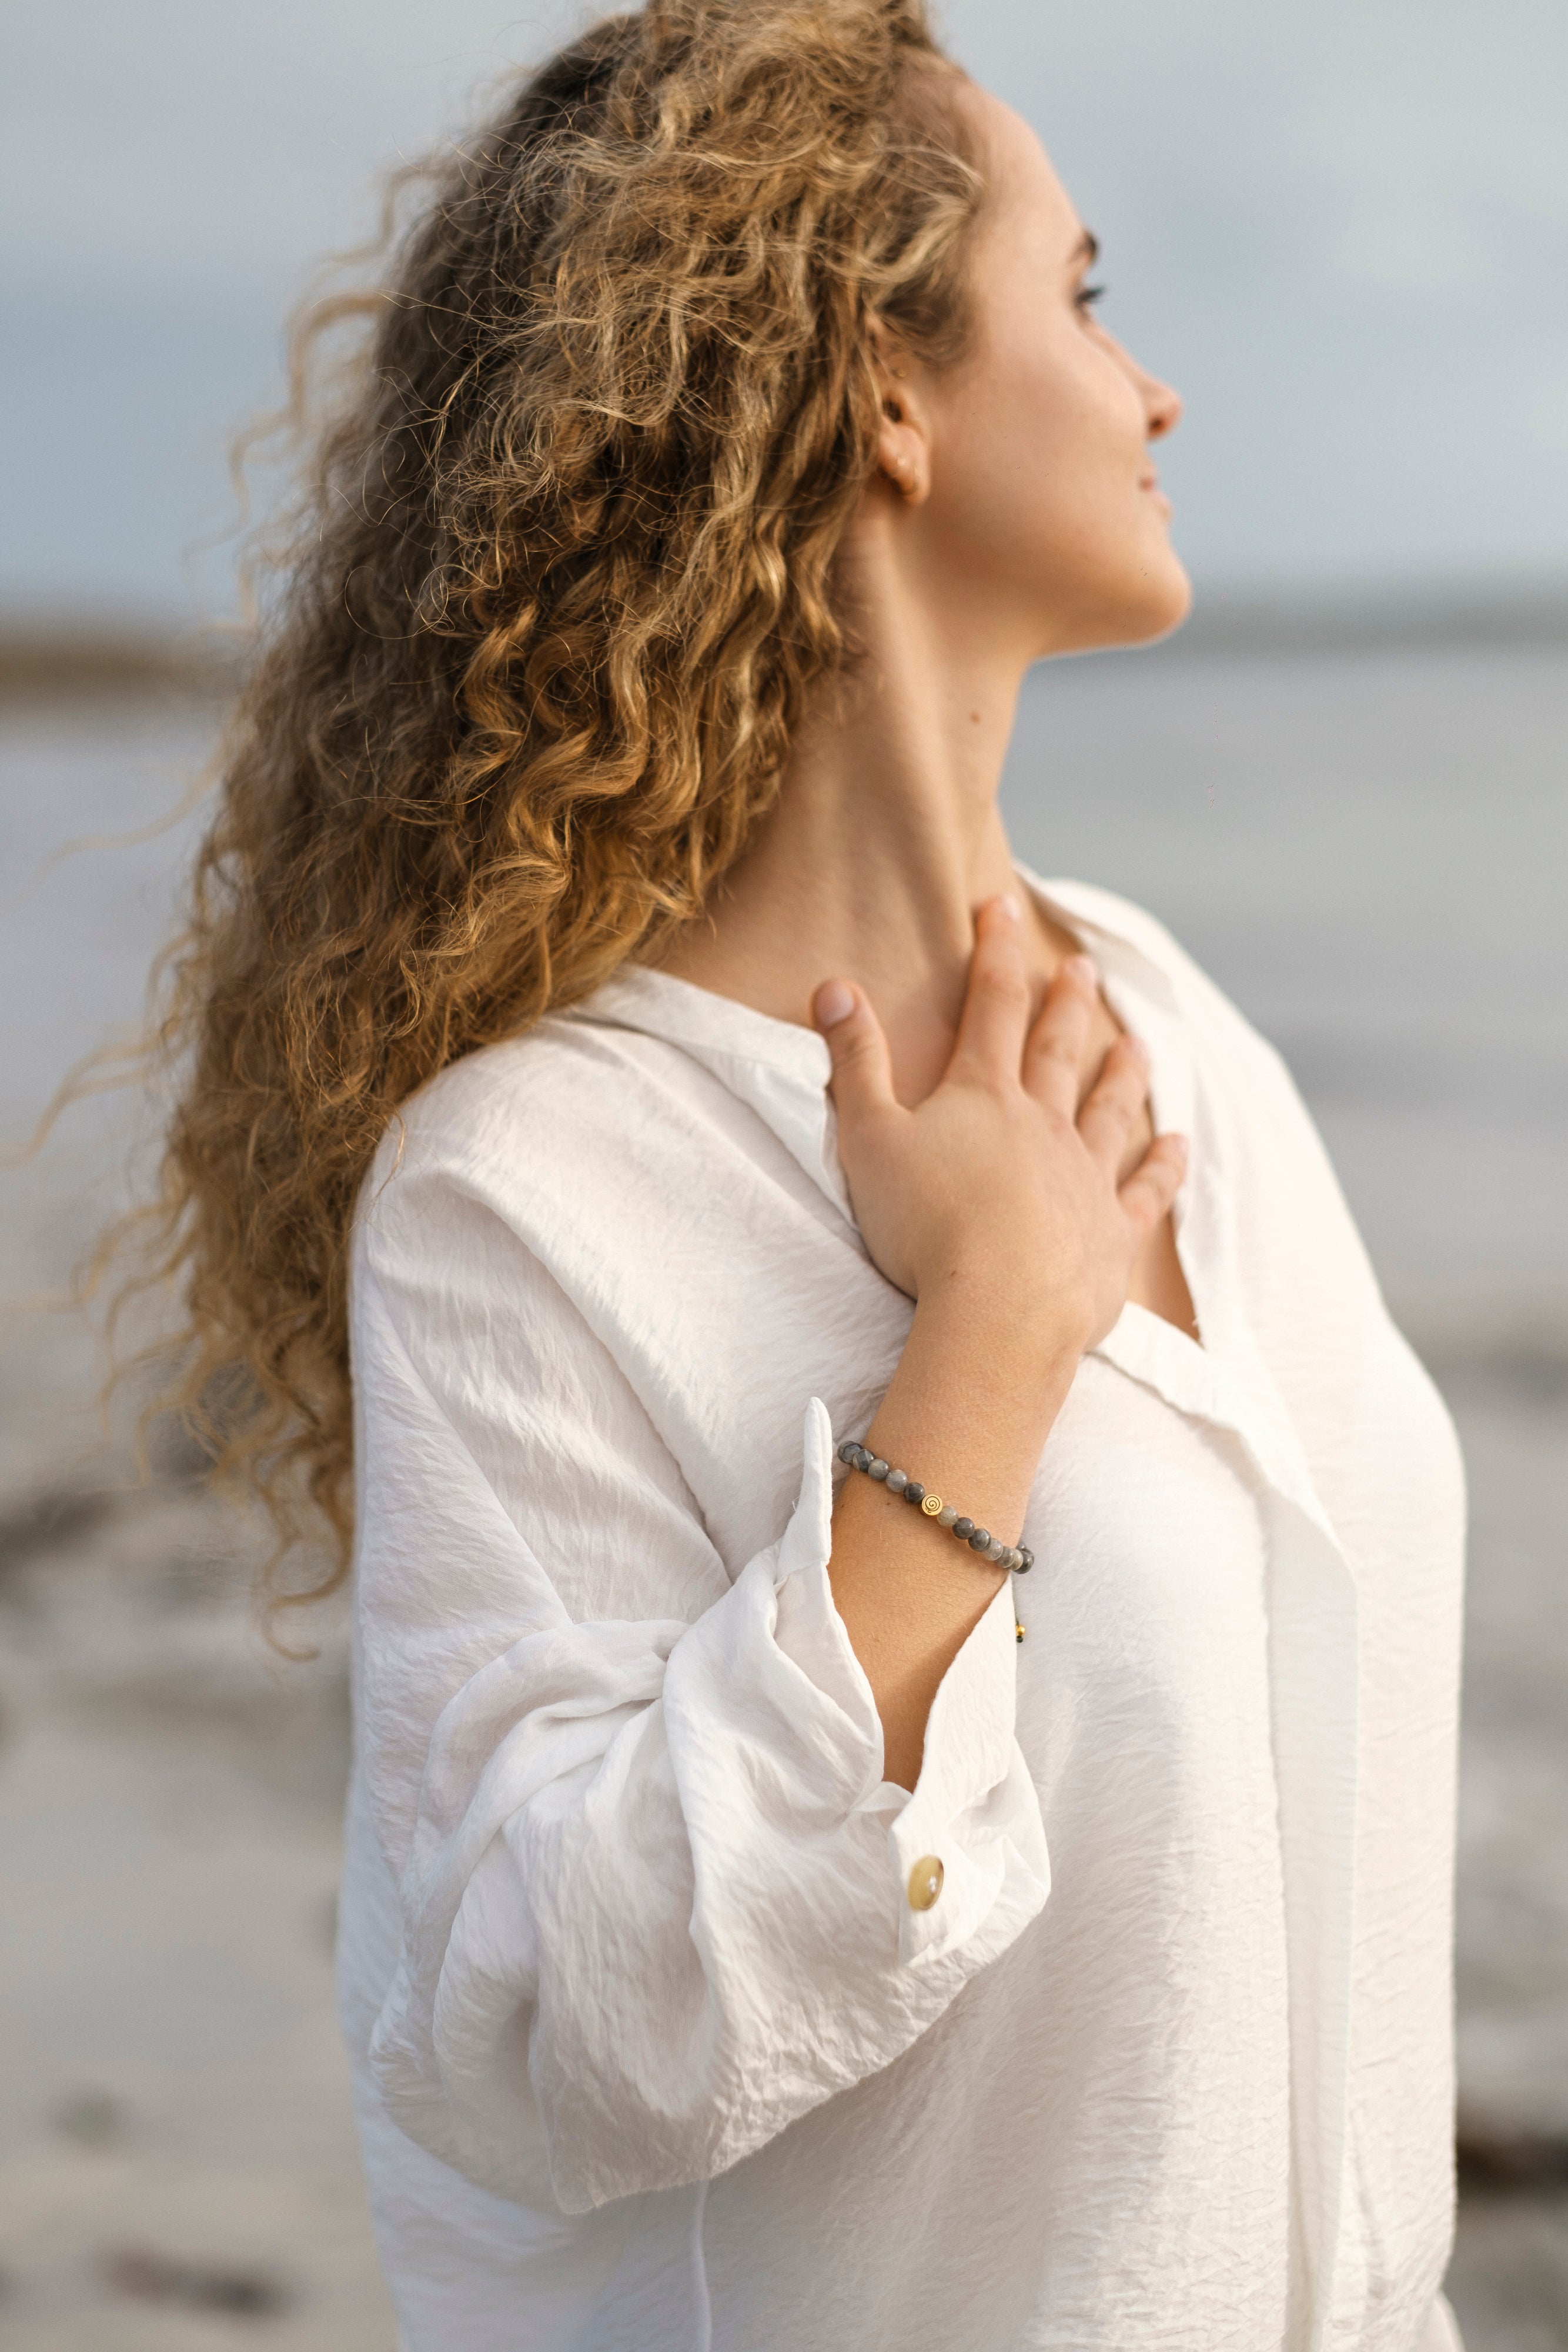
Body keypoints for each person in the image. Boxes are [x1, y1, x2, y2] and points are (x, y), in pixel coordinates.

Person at [149, 2, 1466, 2343]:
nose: (1154, 386)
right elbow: (545, 2043)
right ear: (884, 380)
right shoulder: (528, 1188)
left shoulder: (1176, 1029)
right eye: (1081, 291)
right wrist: (983, 1345)